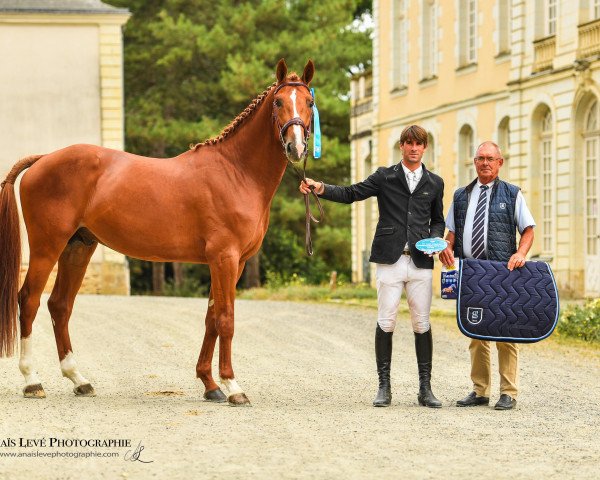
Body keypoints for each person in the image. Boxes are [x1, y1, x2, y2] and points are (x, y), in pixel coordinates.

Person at [300, 125, 445, 408]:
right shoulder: (385, 176)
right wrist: (321, 188)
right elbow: (352, 193)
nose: (414, 148)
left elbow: (437, 219)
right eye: (409, 143)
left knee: (422, 323)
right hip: (389, 259)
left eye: (419, 144)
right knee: (386, 320)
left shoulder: (435, 182)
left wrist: (436, 239)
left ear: (425, 148)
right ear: (401, 146)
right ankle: (384, 387)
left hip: (420, 261)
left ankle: (425, 389)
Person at [439, 141, 535, 411]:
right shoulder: (460, 196)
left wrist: (521, 253)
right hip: (472, 275)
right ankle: (480, 391)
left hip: (504, 275)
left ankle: (509, 392)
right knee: (476, 331)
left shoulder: (513, 194)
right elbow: (451, 235)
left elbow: (528, 230)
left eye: (490, 158)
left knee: (506, 333)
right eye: (480, 158)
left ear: (500, 162)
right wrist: (446, 248)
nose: (485, 163)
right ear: (474, 161)